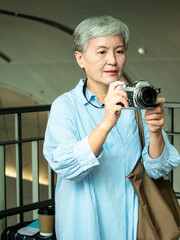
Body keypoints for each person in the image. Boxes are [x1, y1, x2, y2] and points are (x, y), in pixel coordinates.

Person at [43, 16, 180, 240]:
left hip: (134, 222)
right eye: (101, 52)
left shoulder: (136, 102)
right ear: (80, 58)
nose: (113, 61)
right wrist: (107, 122)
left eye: (119, 51)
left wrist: (155, 133)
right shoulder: (65, 107)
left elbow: (157, 168)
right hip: (87, 224)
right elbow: (67, 167)